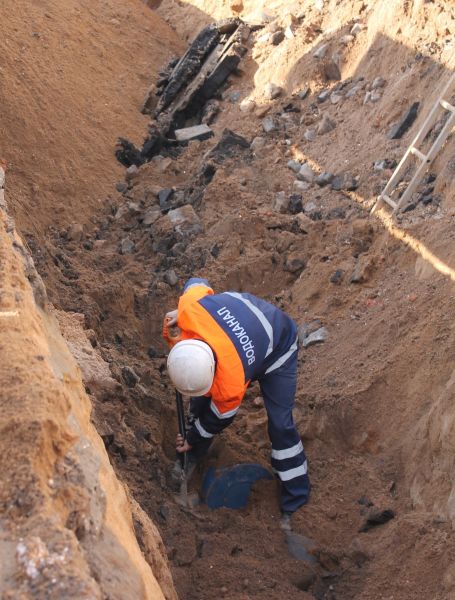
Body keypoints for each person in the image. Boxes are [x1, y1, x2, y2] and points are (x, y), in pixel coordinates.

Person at [163, 277, 310, 523]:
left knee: (281, 425)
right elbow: (197, 281)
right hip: (245, 327)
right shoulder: (191, 307)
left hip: (279, 345)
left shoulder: (230, 383)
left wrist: (193, 436)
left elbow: (216, 420)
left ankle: (295, 501)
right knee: (200, 402)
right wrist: (180, 311)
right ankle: (191, 458)